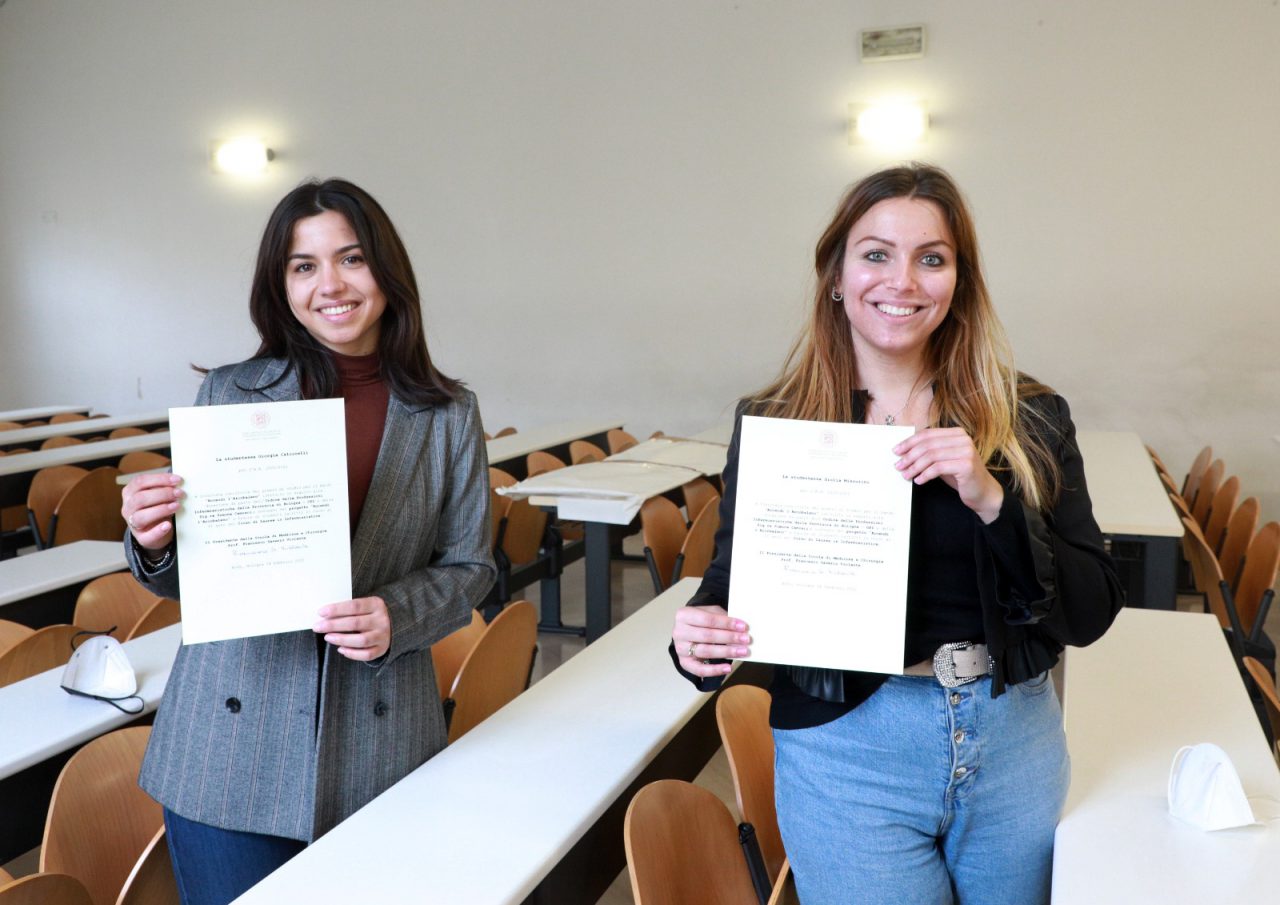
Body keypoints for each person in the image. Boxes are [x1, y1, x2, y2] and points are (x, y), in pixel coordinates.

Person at [670, 163, 1123, 905]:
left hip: (1013, 738)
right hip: (846, 749)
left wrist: (990, 497)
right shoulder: (779, 422)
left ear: (959, 282)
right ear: (837, 276)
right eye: (876, 253)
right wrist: (699, 639)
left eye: (931, 258)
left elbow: (1093, 609)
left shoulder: (1032, 417)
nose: (902, 280)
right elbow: (731, 587)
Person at [121, 178, 496, 905]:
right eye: (304, 265)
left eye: (351, 259)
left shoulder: (449, 412)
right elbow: (193, 577)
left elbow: (472, 564)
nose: (331, 284)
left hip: (383, 741)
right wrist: (153, 539)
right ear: (281, 282)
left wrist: (398, 612)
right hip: (230, 748)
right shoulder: (231, 393)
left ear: (387, 271)